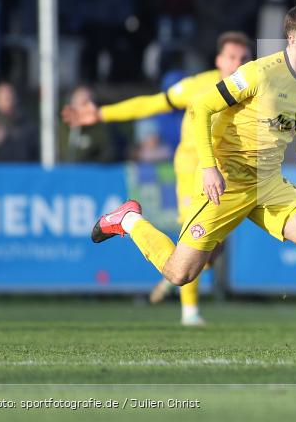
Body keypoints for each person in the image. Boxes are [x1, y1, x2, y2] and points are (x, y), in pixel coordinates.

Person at [90, 5, 296, 351]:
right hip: (227, 180)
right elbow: (203, 107)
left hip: (268, 182)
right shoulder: (258, 74)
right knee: (180, 274)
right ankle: (128, 220)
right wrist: (208, 167)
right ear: (293, 39)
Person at [64, 32, 253, 325]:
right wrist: (101, 114)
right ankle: (189, 312)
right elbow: (151, 104)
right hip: (194, 171)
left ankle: (171, 273)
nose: (237, 63)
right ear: (218, 60)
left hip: (229, 173)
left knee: (214, 249)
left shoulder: (251, 88)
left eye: (243, 58)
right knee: (197, 237)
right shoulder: (196, 86)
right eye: (231, 57)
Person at [0, 81, 38, 162]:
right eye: (5, 97)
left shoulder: (25, 122)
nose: (9, 100)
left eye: (10, 96)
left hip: (23, 170)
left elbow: (34, 148)